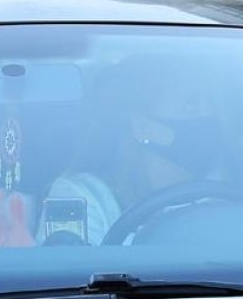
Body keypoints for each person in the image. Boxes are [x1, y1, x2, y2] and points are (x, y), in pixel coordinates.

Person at [36, 63, 222, 246]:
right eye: (190, 107)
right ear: (142, 126)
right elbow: (69, 264)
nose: (207, 118)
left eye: (212, 105)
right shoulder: (79, 197)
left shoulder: (223, 189)